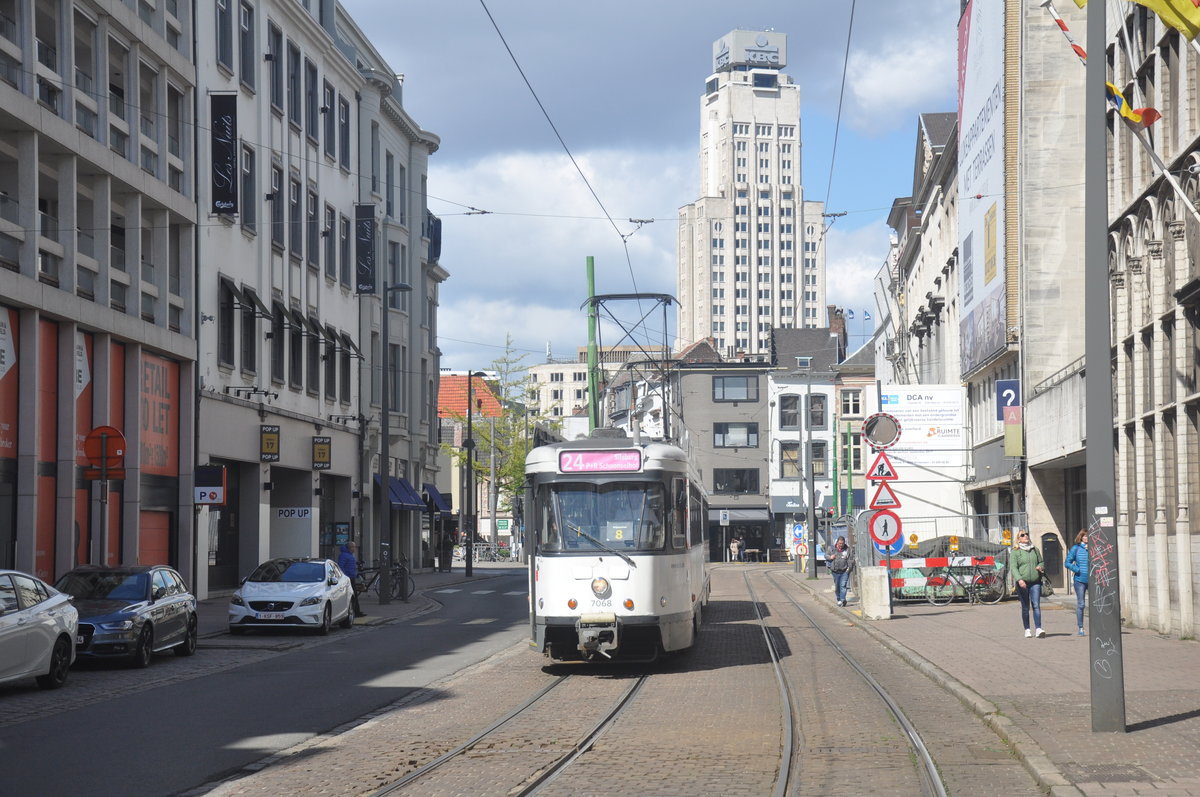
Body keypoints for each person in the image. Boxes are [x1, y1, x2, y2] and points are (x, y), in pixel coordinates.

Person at [1010, 531, 1045, 638]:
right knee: (1025, 607)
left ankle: (1038, 629)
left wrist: (1040, 566)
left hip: (1035, 582)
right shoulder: (1015, 551)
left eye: (1026, 534)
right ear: (1018, 539)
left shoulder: (1035, 549)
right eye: (1022, 535)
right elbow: (1013, 567)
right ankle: (1027, 629)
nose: (1026, 536)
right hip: (1022, 583)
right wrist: (1020, 580)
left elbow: (1041, 561)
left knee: (1036, 605)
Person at [1065, 528, 1089, 636]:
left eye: (1088, 536)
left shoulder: (1094, 548)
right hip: (1079, 580)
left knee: (1095, 605)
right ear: (1081, 537)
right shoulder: (1076, 548)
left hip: (1093, 580)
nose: (1086, 538)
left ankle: (1097, 627)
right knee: (1081, 604)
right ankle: (1081, 628)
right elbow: (1067, 562)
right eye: (1084, 536)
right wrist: (1077, 569)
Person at [826, 535, 855, 606]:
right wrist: (830, 557)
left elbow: (851, 560)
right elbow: (826, 555)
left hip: (844, 571)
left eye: (842, 543)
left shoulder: (847, 549)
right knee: (837, 587)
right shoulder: (831, 548)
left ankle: (842, 599)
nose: (841, 545)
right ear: (837, 543)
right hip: (835, 571)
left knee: (843, 585)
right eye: (840, 543)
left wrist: (849, 569)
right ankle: (839, 599)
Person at [338, 541, 364, 617]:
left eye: (355, 547)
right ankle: (355, 612)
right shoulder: (344, 555)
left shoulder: (350, 555)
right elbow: (341, 567)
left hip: (351, 577)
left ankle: (357, 611)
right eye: (353, 547)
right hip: (347, 579)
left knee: (354, 595)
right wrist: (345, 576)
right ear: (349, 547)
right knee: (352, 595)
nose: (354, 549)